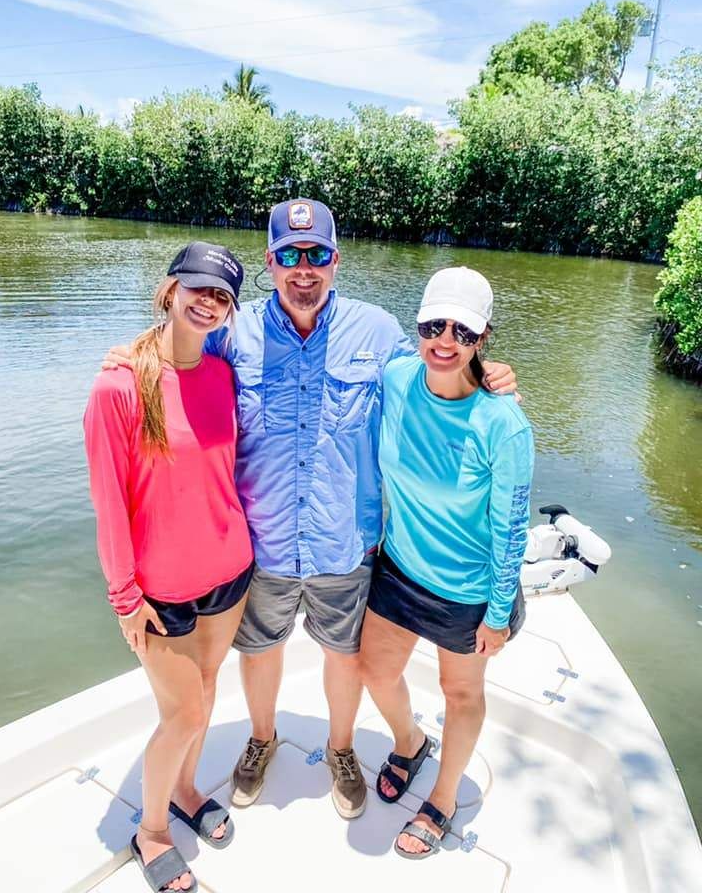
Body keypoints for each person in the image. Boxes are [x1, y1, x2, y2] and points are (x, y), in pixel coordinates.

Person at [103, 199, 518, 822]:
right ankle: (261, 739)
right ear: (269, 262)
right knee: (260, 650)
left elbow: (439, 372)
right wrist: (127, 359)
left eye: (317, 255)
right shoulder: (229, 331)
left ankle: (341, 748)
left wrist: (491, 372)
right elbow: (174, 355)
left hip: (344, 545)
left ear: (335, 261)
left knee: (343, 655)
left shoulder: (378, 332)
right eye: (290, 256)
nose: (304, 269)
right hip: (260, 544)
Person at [85, 242, 253, 892]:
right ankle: (151, 830)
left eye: (222, 295)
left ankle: (185, 788)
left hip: (230, 570)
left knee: (207, 692)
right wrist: (124, 597)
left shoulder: (221, 376)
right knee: (182, 713)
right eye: (199, 288)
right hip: (160, 592)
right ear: (170, 289)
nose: (208, 302)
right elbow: (108, 504)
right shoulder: (118, 384)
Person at [358, 266, 534, 859]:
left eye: (463, 330)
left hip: (467, 591)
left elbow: (511, 527)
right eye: (434, 324)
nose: (445, 339)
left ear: (483, 339)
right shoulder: (396, 376)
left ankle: (444, 796)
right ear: (417, 326)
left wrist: (498, 614)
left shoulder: (502, 423)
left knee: (460, 694)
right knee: (374, 673)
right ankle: (410, 742)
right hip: (401, 569)